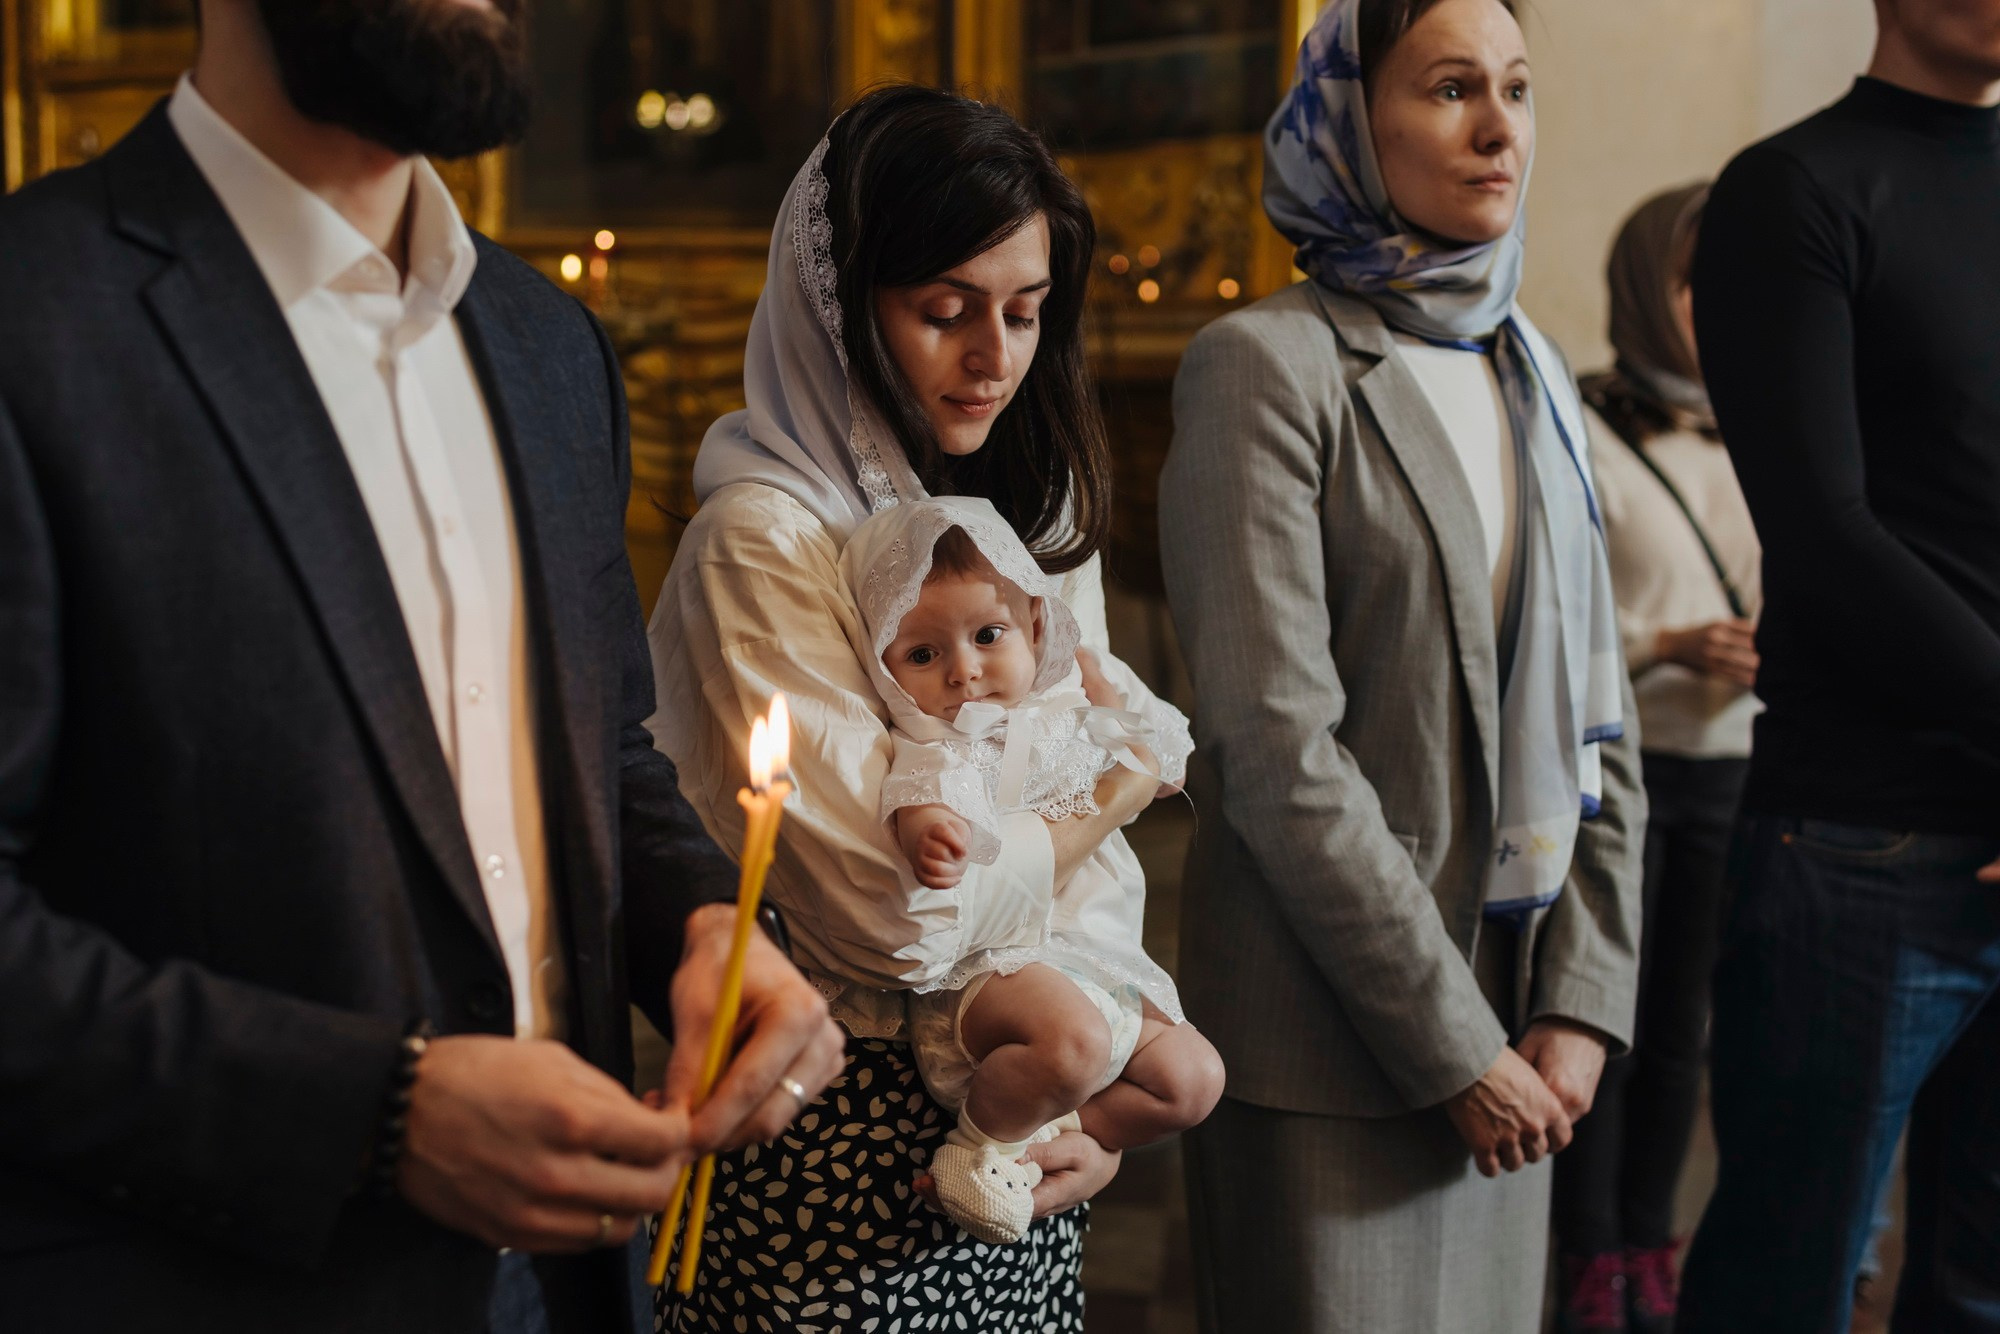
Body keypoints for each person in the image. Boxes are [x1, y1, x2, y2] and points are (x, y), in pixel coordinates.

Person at [0, 1, 849, 1330]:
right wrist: (373, 1114)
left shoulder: (545, 344)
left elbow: (603, 751)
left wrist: (704, 926)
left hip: (572, 1285)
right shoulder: (34, 316)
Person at [1160, 0, 1646, 1329]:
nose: (1498, 129)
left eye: (1516, 89)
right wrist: (1455, 1044)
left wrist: (1580, 1005)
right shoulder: (1267, 367)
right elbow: (1275, 751)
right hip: (1334, 1041)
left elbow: (1600, 719)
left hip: (1525, 1034)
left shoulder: (1534, 368)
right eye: (1448, 89)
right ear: (1347, 121)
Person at [646, 85, 1164, 1330]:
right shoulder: (762, 540)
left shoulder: (1029, 516)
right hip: (836, 1137)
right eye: (943, 311)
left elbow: (1079, 790)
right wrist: (1115, 797)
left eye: (1024, 313)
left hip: (1025, 1114)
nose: (993, 357)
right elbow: (897, 919)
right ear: (836, 306)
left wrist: (1093, 1105)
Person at [1677, 2, 2000, 1328]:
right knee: (1788, 1285)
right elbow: (1823, 530)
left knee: (1980, 1289)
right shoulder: (1793, 189)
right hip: (1864, 837)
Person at [839, 496, 1221, 1244]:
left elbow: (1165, 767)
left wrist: (1119, 720)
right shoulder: (937, 743)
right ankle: (978, 1147)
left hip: (1098, 961)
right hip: (997, 977)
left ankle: (1055, 1130)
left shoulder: (1068, 707)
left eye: (988, 635)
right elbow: (918, 798)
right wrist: (933, 834)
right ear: (884, 668)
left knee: (1194, 1080)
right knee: (1073, 1039)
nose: (964, 672)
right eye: (923, 655)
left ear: (1035, 626)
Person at [1550, 183, 1761, 1334]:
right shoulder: (1583, 422)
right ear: (1646, 285)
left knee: (1684, 1028)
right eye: (1693, 279)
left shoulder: (1766, 415)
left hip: (1734, 762)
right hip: (1620, 765)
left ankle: (1648, 1241)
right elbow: (1554, 616)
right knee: (1603, 1020)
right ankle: (1587, 1250)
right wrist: (1668, 642)